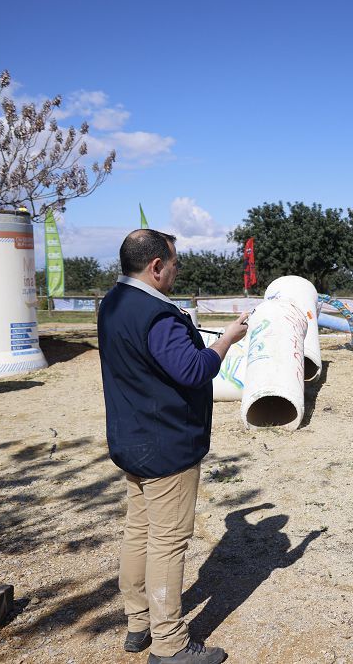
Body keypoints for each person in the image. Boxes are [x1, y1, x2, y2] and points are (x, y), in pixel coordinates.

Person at [98, 229, 250, 664]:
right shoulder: (156, 314)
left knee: (139, 530)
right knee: (167, 541)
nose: (177, 270)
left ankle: (137, 621)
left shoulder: (113, 302)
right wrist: (226, 340)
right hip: (165, 444)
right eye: (175, 263)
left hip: (131, 439)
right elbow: (192, 370)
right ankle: (170, 644)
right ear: (156, 266)